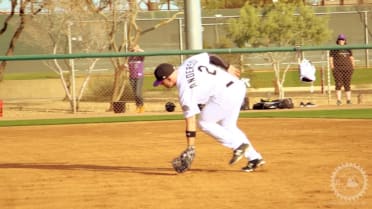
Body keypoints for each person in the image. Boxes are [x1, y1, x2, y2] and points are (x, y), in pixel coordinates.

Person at [153, 52, 265, 172]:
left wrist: (190, 146)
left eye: (161, 82)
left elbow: (190, 121)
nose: (162, 85)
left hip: (225, 94)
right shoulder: (188, 63)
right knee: (228, 126)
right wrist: (227, 66)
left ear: (168, 78)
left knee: (204, 123)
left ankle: (237, 145)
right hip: (237, 86)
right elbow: (210, 56)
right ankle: (254, 158)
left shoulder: (185, 91)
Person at [329, 34, 355, 105]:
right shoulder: (334, 49)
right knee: (338, 84)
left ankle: (349, 100)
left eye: (342, 39)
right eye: (340, 39)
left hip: (348, 69)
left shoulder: (348, 48)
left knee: (347, 84)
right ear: (337, 40)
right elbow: (331, 58)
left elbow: (351, 58)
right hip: (338, 69)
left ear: (345, 41)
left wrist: (353, 66)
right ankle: (339, 100)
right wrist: (332, 67)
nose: (341, 41)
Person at [128, 44, 145, 113]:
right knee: (135, 94)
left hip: (139, 76)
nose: (133, 49)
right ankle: (138, 106)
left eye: (134, 47)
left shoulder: (140, 56)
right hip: (132, 76)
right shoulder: (130, 57)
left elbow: (144, 53)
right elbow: (128, 66)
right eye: (132, 48)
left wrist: (137, 49)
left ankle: (142, 105)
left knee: (138, 93)